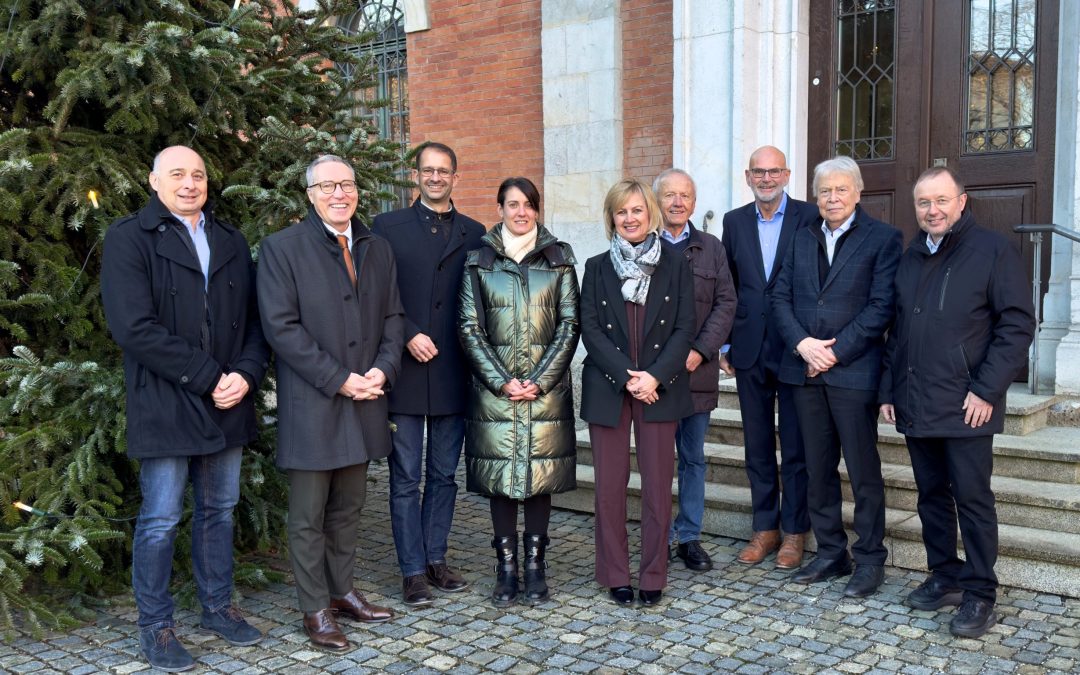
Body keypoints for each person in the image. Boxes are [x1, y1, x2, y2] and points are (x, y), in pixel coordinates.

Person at [101, 145, 269, 671]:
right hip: (166, 398)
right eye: (177, 174)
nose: (190, 183)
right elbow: (133, 327)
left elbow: (256, 322)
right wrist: (209, 376)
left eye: (198, 174)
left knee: (219, 511)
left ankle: (217, 608)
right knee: (160, 519)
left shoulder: (230, 239)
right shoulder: (129, 237)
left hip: (229, 399)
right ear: (155, 182)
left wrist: (245, 375)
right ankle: (156, 627)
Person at [880, 167, 1035, 638]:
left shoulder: (992, 250)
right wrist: (888, 390)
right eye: (924, 202)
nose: (933, 210)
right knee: (931, 496)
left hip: (969, 403)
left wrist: (987, 389)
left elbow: (1016, 326)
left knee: (972, 499)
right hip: (916, 400)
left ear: (961, 202)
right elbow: (897, 330)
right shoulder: (911, 256)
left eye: (941, 200)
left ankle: (980, 592)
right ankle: (944, 575)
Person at [257, 155, 404, 651]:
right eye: (327, 186)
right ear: (310, 194)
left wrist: (384, 368)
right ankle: (314, 607)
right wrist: (339, 379)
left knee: (349, 506)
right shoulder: (282, 248)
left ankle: (342, 591)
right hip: (315, 401)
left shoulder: (376, 247)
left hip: (367, 397)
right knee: (309, 514)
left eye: (347, 184)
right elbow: (281, 328)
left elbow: (394, 316)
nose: (339, 194)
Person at [771, 156, 902, 599]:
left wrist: (833, 352)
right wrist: (802, 344)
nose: (832, 198)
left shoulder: (884, 238)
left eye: (841, 189)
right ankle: (831, 552)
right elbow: (780, 297)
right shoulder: (800, 237)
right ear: (815, 195)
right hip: (803, 372)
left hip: (854, 374)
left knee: (863, 472)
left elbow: (882, 307)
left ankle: (870, 558)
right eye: (825, 190)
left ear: (858, 192)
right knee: (816, 468)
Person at [458, 177, 581, 607]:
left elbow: (569, 325)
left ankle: (535, 568)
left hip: (545, 392)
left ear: (537, 209)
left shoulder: (559, 259)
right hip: (496, 393)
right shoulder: (479, 261)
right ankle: (506, 570)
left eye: (528, 204)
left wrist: (540, 380)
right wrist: (502, 380)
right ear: (500, 209)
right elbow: (469, 328)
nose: (521, 211)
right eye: (513, 204)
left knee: (539, 477)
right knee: (501, 481)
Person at [372, 142, 485, 606]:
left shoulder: (476, 233)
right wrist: (407, 333)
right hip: (405, 369)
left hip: (453, 371)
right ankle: (412, 571)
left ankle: (436, 557)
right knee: (404, 477)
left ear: (456, 177)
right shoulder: (387, 227)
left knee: (443, 474)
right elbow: (378, 293)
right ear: (416, 176)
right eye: (428, 170)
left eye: (444, 171)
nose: (436, 177)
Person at [580, 178, 695, 608]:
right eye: (621, 211)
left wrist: (654, 377)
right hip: (610, 386)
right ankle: (614, 573)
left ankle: (653, 574)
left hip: (659, 389)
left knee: (657, 487)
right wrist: (627, 376)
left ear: (651, 214)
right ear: (611, 218)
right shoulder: (596, 267)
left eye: (637, 210)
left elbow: (685, 327)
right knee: (609, 487)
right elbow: (590, 328)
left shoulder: (675, 264)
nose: (629, 218)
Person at [720, 146, 819, 569]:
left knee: (795, 446)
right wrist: (725, 344)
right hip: (749, 348)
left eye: (774, 171)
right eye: (759, 172)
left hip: (795, 348)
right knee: (757, 445)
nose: (766, 178)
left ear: (787, 174)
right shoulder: (734, 221)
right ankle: (765, 528)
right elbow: (728, 286)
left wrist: (814, 342)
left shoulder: (809, 216)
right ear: (747, 176)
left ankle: (794, 531)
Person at [653, 168, 736, 572]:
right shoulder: (642, 244)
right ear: (657, 201)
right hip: (654, 376)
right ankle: (658, 538)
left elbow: (726, 303)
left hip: (696, 372)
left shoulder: (712, 248)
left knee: (692, 458)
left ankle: (688, 537)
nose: (677, 202)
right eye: (669, 195)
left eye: (684, 195)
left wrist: (702, 351)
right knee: (656, 460)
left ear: (694, 201)